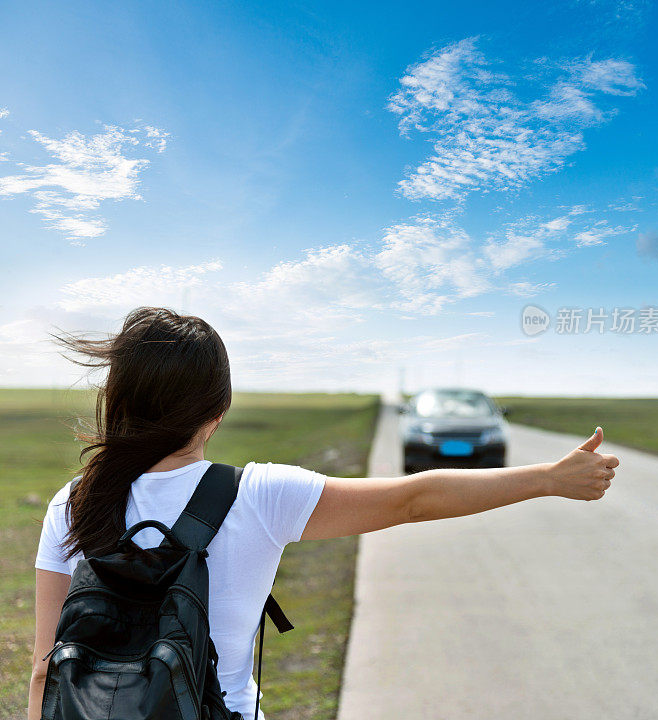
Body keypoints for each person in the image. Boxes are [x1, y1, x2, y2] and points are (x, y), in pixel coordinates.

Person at [29, 307, 619, 720]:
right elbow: (415, 497)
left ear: (118, 401)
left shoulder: (74, 502)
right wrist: (548, 478)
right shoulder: (258, 496)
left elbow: (44, 670)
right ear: (218, 412)